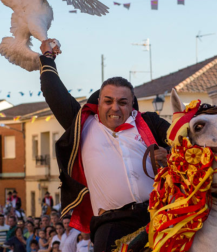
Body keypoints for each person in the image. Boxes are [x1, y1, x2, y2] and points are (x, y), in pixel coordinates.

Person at [39, 40, 170, 252]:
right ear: (99, 101)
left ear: (131, 103)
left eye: (122, 102)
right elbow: (53, 93)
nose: (115, 108)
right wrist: (47, 56)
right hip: (112, 224)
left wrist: (170, 155)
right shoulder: (83, 123)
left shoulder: (150, 122)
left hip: (158, 215)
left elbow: (186, 144)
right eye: (108, 101)